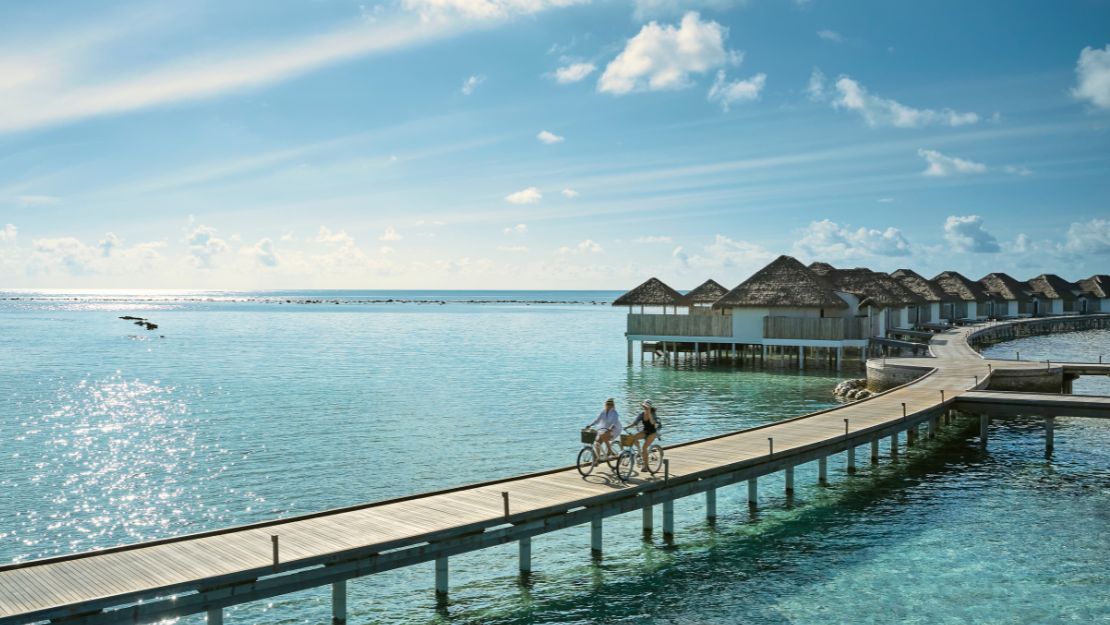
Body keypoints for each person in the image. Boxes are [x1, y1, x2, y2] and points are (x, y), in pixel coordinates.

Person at [585, 398, 621, 463]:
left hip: (614, 429)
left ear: (613, 405)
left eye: (610, 404)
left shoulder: (614, 413)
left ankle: (610, 451)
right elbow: (597, 420)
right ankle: (598, 459)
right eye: (607, 404)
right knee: (597, 443)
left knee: (603, 435)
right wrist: (590, 425)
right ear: (605, 404)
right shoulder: (603, 412)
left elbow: (614, 423)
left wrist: (610, 428)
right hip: (605, 429)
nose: (608, 405)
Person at [626, 399, 659, 468]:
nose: (644, 408)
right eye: (644, 406)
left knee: (644, 448)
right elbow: (635, 423)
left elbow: (653, 422)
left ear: (649, 407)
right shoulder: (642, 414)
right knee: (632, 438)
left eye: (646, 407)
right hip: (645, 431)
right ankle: (639, 451)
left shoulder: (653, 414)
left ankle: (646, 466)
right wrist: (626, 427)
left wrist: (649, 412)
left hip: (652, 433)